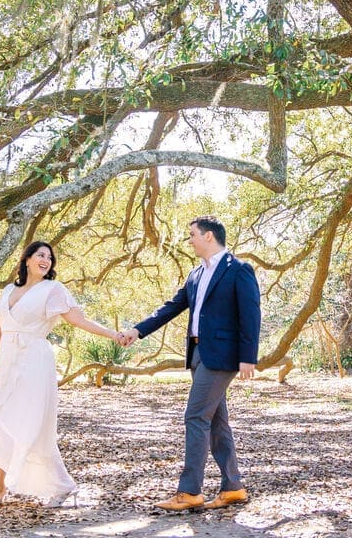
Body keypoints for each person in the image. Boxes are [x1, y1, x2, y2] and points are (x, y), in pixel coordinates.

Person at [118, 216, 260, 512]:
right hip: (197, 354)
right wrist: (138, 330)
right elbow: (171, 307)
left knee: (195, 417)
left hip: (222, 356)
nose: (190, 240)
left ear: (209, 236)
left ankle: (189, 491)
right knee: (217, 422)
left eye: (192, 234)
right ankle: (233, 487)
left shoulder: (239, 269)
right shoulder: (196, 274)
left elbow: (251, 313)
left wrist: (249, 356)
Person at [0, 240, 124, 509]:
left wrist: (113, 334)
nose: (46, 260)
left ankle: (59, 486)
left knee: (32, 425)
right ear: (27, 259)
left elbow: (79, 320)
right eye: (40, 255)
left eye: (49, 258)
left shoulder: (53, 290)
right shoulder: (7, 291)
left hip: (35, 362)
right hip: (8, 364)